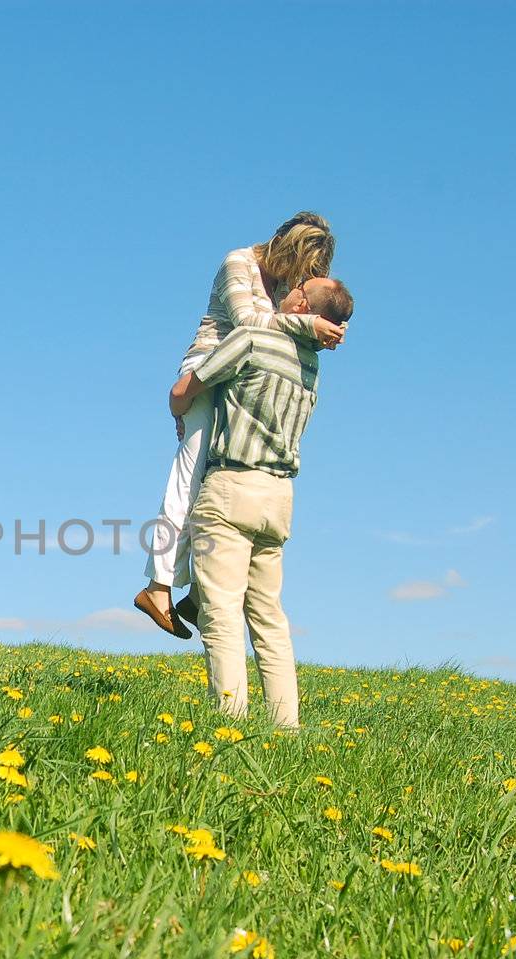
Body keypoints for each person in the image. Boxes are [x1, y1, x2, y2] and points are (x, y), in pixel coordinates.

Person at [133, 213, 344, 639]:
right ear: (285, 246)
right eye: (300, 267)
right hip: (210, 367)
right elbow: (249, 323)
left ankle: (197, 593)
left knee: (223, 487)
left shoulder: (289, 284)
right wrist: (307, 323)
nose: (298, 281)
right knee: (191, 475)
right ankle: (158, 585)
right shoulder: (239, 263)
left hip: (247, 377)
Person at [177, 277, 355, 727]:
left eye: (299, 286)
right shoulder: (311, 362)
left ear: (300, 301)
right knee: (269, 619)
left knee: (220, 614)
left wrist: (179, 407)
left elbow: (188, 388)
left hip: (232, 485)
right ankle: (285, 727)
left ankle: (231, 721)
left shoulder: (254, 339)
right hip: (279, 498)